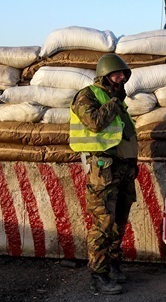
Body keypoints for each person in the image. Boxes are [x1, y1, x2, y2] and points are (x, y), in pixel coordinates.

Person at [69, 54, 138, 295]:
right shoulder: (87, 95)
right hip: (102, 170)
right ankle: (98, 275)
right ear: (104, 74)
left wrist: (132, 164)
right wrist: (114, 103)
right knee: (103, 222)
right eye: (116, 73)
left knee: (119, 221)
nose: (121, 77)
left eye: (123, 74)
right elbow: (94, 122)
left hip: (122, 168)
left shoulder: (117, 99)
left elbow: (124, 135)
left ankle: (114, 265)